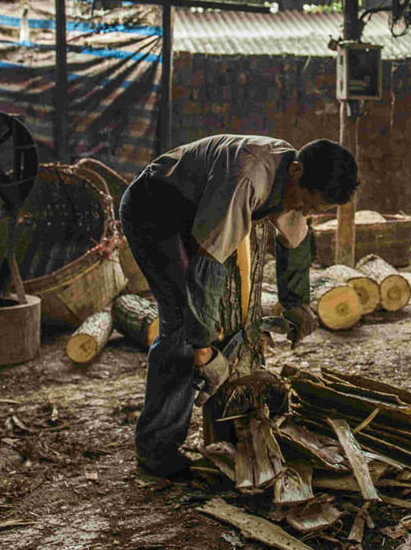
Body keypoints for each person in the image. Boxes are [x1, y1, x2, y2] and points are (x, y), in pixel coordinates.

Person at [119, 134, 359, 477]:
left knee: (201, 315)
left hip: (190, 209)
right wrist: (202, 349)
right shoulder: (248, 177)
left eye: (317, 209)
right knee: (180, 325)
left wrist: (296, 303)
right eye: (309, 202)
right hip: (152, 209)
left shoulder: (295, 181)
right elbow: (209, 261)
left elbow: (294, 241)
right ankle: (157, 453)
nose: (308, 211)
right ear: (296, 171)